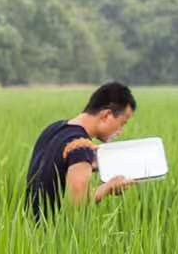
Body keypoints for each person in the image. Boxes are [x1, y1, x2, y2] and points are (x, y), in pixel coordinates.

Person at [25, 82, 138, 219]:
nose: (120, 131)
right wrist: (108, 187)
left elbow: (52, 171)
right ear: (106, 115)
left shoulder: (54, 129)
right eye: (122, 123)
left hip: (29, 229)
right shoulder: (81, 146)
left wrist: (91, 163)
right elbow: (77, 203)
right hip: (52, 233)